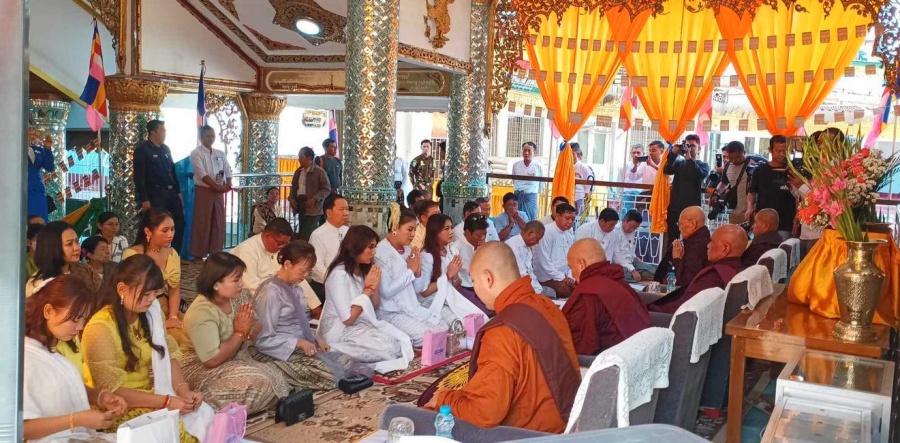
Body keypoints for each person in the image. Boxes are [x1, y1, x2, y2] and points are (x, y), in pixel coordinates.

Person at [426, 242, 581, 433]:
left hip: (530, 435)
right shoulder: (547, 306)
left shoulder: (501, 332)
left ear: (488, 279)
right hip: (569, 420)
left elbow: (485, 414)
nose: (475, 288)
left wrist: (444, 398)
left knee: (421, 416)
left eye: (474, 281)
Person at [81, 255, 214, 442]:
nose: (152, 300)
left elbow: (168, 354)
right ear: (121, 289)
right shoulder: (100, 328)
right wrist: (166, 402)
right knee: (170, 425)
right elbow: (112, 390)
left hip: (152, 395)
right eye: (145, 294)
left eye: (155, 294)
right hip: (117, 406)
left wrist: (184, 392)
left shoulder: (150, 312)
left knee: (202, 413)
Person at [181, 252, 290, 414]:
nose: (241, 284)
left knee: (279, 371)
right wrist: (239, 333)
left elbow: (257, 324)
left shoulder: (240, 296)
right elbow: (211, 360)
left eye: (241, 278)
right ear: (216, 284)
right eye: (235, 280)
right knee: (259, 381)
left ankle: (247, 406)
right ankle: (200, 411)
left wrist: (248, 330)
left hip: (238, 356)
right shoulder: (202, 312)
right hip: (199, 365)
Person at [24, 276, 127, 443]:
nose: (80, 327)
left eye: (83, 319)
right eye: (74, 319)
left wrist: (100, 397)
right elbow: (21, 429)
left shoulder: (49, 349)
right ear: (48, 311)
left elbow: (65, 387)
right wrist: (77, 420)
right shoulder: (26, 358)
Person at [251, 241, 366, 390]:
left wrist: (315, 339)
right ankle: (283, 378)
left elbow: (300, 324)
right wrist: (297, 343)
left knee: (348, 360)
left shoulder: (296, 289)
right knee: (327, 373)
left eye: (309, 271)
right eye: (302, 271)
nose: (305, 276)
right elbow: (263, 338)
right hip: (277, 351)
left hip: (300, 347)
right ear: (287, 264)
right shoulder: (271, 292)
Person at [320, 226, 412, 372]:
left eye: (375, 247)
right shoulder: (339, 275)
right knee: (387, 349)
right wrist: (368, 289)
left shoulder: (361, 269)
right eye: (370, 247)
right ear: (356, 247)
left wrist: (373, 285)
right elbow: (348, 319)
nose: (374, 252)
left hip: (359, 324)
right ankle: (330, 350)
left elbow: (375, 305)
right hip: (339, 329)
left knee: (398, 343)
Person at [563, 239, 651, 356]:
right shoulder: (620, 283)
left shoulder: (587, 293)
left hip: (612, 363)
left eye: (571, 267)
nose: (572, 274)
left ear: (581, 264)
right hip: (641, 353)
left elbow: (578, 344)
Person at [374, 206, 445, 346]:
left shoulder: (408, 251)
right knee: (430, 336)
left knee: (443, 327)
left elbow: (418, 289)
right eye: (409, 229)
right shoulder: (380, 253)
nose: (413, 234)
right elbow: (386, 292)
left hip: (412, 306)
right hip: (390, 312)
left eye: (415, 229)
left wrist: (417, 272)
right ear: (395, 227)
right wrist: (410, 271)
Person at [231, 218, 323, 315]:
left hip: (280, 302)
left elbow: (296, 275)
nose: (282, 247)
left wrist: (314, 304)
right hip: (252, 306)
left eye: (286, 243)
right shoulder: (247, 250)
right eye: (280, 243)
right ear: (268, 236)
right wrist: (284, 302)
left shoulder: (279, 250)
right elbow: (252, 288)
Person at [649, 225, 746, 314]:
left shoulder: (713, 276)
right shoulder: (737, 271)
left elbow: (683, 307)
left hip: (668, 320)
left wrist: (649, 310)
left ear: (725, 248)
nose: (708, 245)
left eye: (712, 242)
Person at [122, 208, 183, 330]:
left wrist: (173, 317)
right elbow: (130, 296)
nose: (170, 235)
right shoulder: (133, 254)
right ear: (148, 231)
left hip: (165, 306)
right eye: (165, 230)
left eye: (172, 229)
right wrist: (162, 324)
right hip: (140, 310)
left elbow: (174, 290)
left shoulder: (172, 253)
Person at [133, 120, 187, 251]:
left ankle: (174, 254)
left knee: (179, 223)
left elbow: (172, 171)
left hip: (171, 193)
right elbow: (139, 177)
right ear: (153, 132)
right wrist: (144, 199)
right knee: (158, 225)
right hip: (156, 194)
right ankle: (155, 253)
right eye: (162, 131)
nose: (165, 134)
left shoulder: (165, 149)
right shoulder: (142, 150)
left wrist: (178, 192)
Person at [188, 125, 232, 260]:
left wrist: (228, 184)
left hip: (218, 192)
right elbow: (202, 173)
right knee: (202, 221)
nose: (211, 139)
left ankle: (216, 251)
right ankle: (198, 253)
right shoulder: (196, 153)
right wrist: (214, 186)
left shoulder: (220, 153)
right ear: (201, 137)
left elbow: (227, 169)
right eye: (208, 136)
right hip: (204, 191)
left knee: (218, 221)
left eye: (213, 136)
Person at [26, 221, 102, 298]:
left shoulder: (85, 270)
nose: (77, 247)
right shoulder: (38, 283)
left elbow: (102, 297)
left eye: (77, 241)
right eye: (69, 244)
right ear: (53, 247)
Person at [414, 214, 465, 321]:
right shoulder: (427, 256)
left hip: (449, 298)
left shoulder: (451, 251)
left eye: (451, 227)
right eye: (446, 229)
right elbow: (424, 292)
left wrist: (455, 275)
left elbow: (456, 285)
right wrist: (448, 275)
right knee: (457, 321)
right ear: (435, 232)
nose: (451, 232)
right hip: (431, 302)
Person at [746, 135, 797, 240]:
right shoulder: (760, 170)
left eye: (785, 151)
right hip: (763, 221)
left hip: (785, 221)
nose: (782, 154)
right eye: (778, 151)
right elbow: (752, 192)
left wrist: (797, 217)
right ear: (770, 150)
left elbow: (798, 197)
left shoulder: (793, 171)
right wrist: (749, 207)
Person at [663, 134, 709, 241]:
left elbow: (699, 175)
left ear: (699, 149)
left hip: (692, 208)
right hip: (675, 206)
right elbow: (667, 170)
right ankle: (672, 257)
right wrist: (673, 154)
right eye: (687, 145)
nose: (689, 148)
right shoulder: (679, 163)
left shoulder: (703, 165)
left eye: (692, 146)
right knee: (673, 238)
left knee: (691, 238)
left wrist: (689, 159)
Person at [309, 193, 351, 303]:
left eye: (347, 209)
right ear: (329, 212)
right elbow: (317, 266)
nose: (346, 213)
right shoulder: (318, 234)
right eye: (341, 209)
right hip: (324, 286)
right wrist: (335, 282)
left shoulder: (347, 231)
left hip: (346, 284)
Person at [654, 206, 711, 286]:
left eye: (680, 223)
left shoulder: (697, 246)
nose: (679, 228)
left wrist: (677, 259)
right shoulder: (698, 240)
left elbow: (686, 282)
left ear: (692, 223)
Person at [451, 214, 493, 315]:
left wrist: (483, 251)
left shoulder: (484, 245)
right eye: (478, 235)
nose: (482, 238)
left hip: (483, 285)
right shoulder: (456, 249)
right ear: (467, 233)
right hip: (465, 288)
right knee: (483, 312)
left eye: (485, 234)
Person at [534, 203, 577, 298]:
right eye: (567, 218)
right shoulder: (546, 232)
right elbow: (544, 263)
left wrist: (570, 277)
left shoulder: (569, 235)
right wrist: (563, 278)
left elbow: (571, 260)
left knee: (581, 288)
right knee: (565, 291)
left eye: (572, 219)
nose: (570, 222)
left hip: (564, 276)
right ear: (557, 216)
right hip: (546, 277)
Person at [290, 146, 331, 241]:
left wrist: (315, 198)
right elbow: (294, 187)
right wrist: (291, 198)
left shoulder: (319, 172)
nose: (299, 159)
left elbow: (326, 189)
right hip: (301, 204)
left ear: (309, 158)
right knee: (302, 231)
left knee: (310, 233)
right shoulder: (298, 171)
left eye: (301, 157)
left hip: (314, 207)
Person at [607, 209, 653, 282]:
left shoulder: (632, 231)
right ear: (624, 221)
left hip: (631, 262)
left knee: (653, 270)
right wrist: (633, 270)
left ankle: (639, 274)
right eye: (631, 226)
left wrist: (635, 257)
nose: (632, 230)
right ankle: (637, 275)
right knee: (626, 275)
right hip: (620, 265)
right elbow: (617, 258)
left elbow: (631, 248)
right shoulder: (615, 232)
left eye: (635, 228)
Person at [715, 140, 751, 224]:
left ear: (744, 152)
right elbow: (724, 182)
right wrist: (717, 193)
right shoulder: (728, 165)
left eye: (737, 157)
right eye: (731, 158)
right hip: (734, 213)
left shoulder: (752, 166)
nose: (734, 160)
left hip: (750, 213)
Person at [505, 220, 546, 295]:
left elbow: (530, 272)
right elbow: (522, 274)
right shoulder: (513, 245)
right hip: (514, 287)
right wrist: (536, 293)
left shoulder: (527, 247)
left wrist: (538, 290)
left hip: (527, 286)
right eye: (537, 239)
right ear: (530, 233)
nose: (537, 243)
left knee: (551, 293)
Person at [27, 134, 56, 222]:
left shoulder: (37, 150)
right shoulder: (14, 146)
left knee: (40, 222)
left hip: (37, 191)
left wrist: (47, 148)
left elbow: (49, 167)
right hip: (22, 189)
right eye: (29, 131)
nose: (32, 134)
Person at [511, 142, 542, 221]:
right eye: (524, 150)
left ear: (534, 153)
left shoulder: (538, 166)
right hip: (518, 196)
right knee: (516, 219)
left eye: (529, 151)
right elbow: (514, 180)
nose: (526, 153)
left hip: (531, 197)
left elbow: (541, 183)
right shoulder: (516, 165)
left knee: (530, 220)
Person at [619, 144, 647, 211]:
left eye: (638, 153)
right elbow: (620, 181)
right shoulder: (625, 166)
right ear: (631, 154)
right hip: (628, 193)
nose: (636, 155)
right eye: (634, 153)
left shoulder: (647, 166)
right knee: (627, 211)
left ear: (643, 153)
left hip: (642, 194)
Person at [572, 143, 594, 217]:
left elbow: (589, 184)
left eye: (572, 153)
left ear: (577, 154)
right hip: (569, 197)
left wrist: (585, 198)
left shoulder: (583, 168)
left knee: (580, 219)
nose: (570, 156)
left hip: (580, 198)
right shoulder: (567, 167)